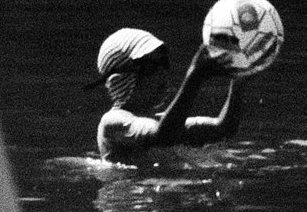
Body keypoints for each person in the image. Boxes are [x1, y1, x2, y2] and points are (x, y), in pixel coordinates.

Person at [91, 26, 248, 163]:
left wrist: (240, 79)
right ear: (121, 80)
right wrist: (195, 76)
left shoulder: (162, 122)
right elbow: (163, 137)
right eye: (151, 67)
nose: (161, 74)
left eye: (163, 64)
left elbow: (224, 129)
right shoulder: (112, 123)